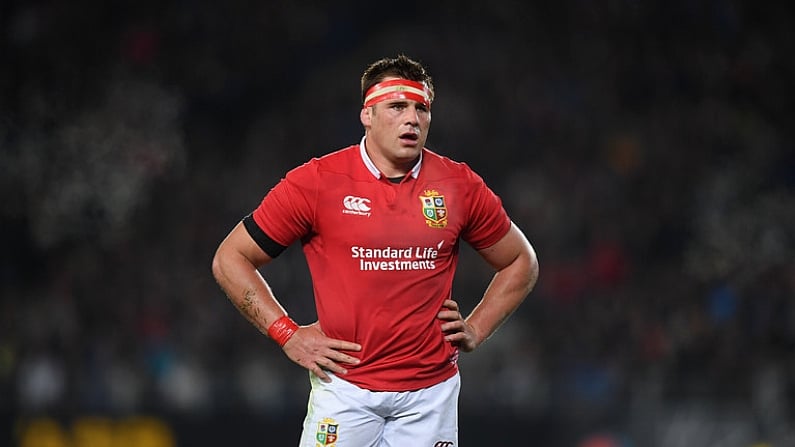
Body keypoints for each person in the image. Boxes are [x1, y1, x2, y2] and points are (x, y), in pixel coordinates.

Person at [211, 54, 539, 446]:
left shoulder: (458, 185)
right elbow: (230, 258)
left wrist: (477, 327)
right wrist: (287, 334)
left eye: (422, 108)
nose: (412, 119)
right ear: (367, 115)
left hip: (429, 395)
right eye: (397, 106)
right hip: (345, 389)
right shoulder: (317, 182)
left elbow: (521, 261)